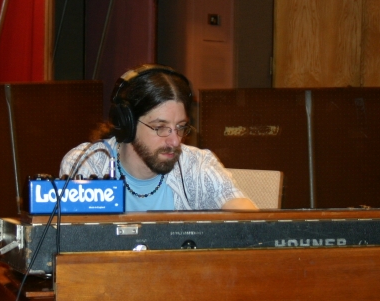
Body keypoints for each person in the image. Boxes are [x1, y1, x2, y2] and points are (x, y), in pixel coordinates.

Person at [59, 64, 258, 212]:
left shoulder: (197, 165)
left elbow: (244, 213)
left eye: (180, 127)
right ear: (127, 124)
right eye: (160, 127)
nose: (174, 141)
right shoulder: (88, 164)